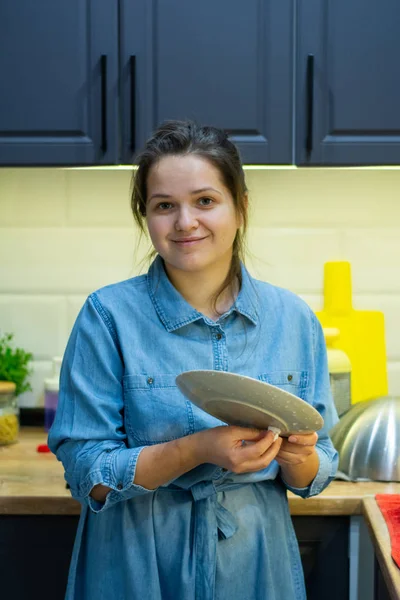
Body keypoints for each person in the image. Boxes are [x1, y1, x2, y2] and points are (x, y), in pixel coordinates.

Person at [48, 120, 339, 600]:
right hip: (135, 562)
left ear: (240, 208)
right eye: (165, 206)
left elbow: (318, 467)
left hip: (257, 566)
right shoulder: (107, 316)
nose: (185, 222)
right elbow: (86, 475)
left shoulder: (295, 319)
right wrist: (197, 449)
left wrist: (300, 457)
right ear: (147, 217)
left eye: (205, 201)